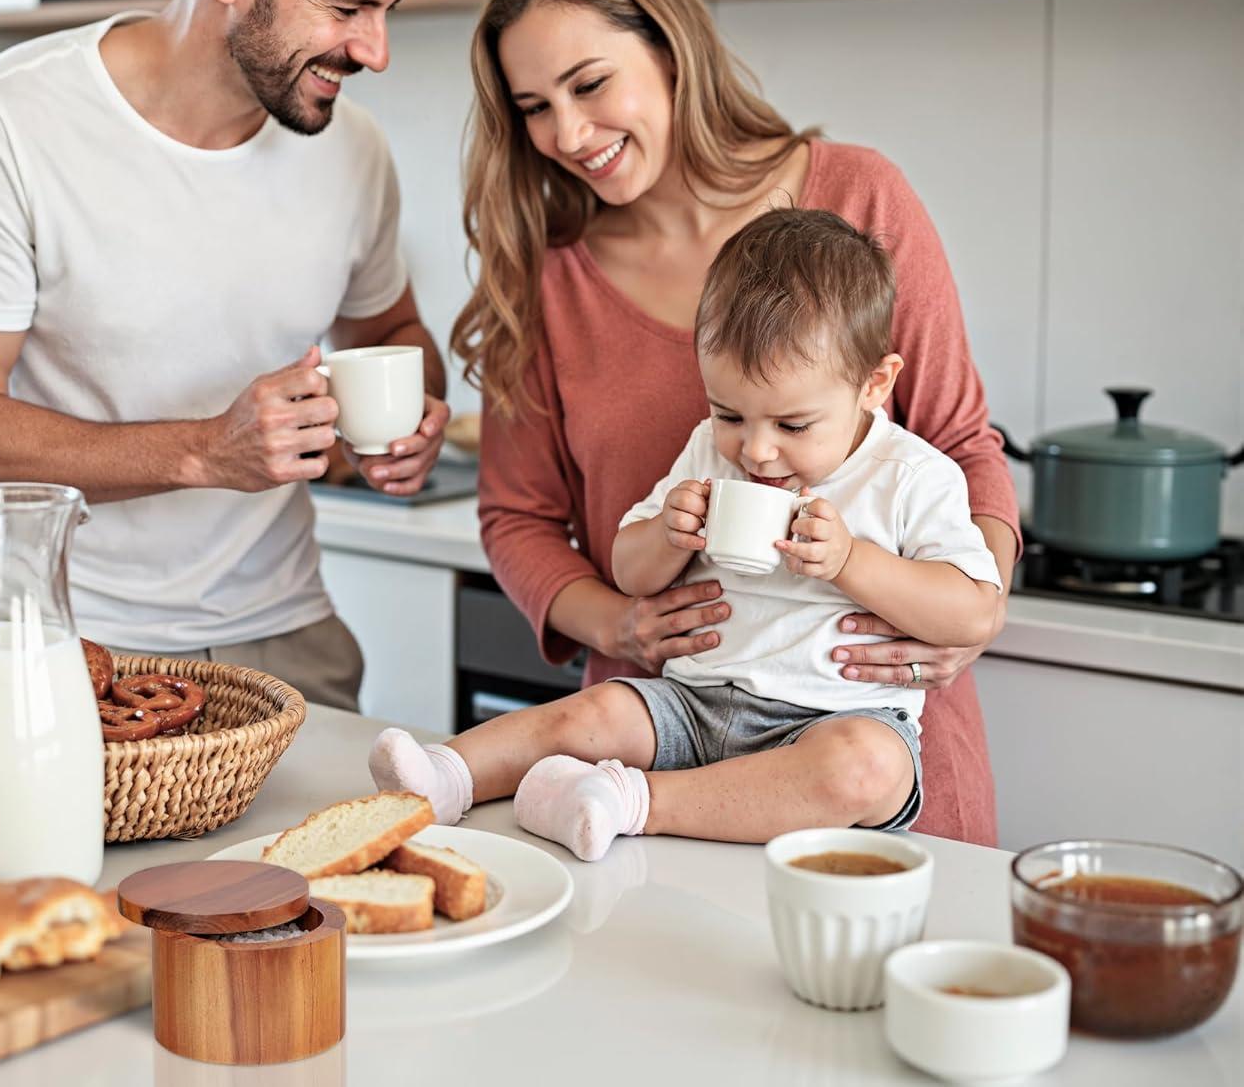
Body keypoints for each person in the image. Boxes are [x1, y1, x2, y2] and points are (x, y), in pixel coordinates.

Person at [449, 0, 1019, 843]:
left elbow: (961, 444)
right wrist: (621, 625)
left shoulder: (859, 199)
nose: (568, 133)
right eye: (534, 107)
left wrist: (967, 613)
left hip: (870, 751)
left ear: (671, 50)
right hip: (644, 772)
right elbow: (515, 518)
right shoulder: (544, 281)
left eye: (590, 84)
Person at [0, 0, 448, 710]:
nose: (375, 51)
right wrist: (202, 452)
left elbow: (388, 325)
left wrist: (412, 416)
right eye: (348, 7)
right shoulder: (8, 121)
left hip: (288, 643)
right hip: (59, 641)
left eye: (385, 9)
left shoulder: (352, 151)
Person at [370, 209, 1002, 858]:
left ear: (875, 384)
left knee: (869, 770)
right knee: (594, 713)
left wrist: (850, 562)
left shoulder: (913, 477)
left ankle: (633, 800)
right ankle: (446, 776)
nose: (755, 450)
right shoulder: (708, 450)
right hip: (693, 700)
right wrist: (668, 537)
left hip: (834, 720)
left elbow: (971, 612)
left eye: (792, 425)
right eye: (729, 412)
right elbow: (628, 572)